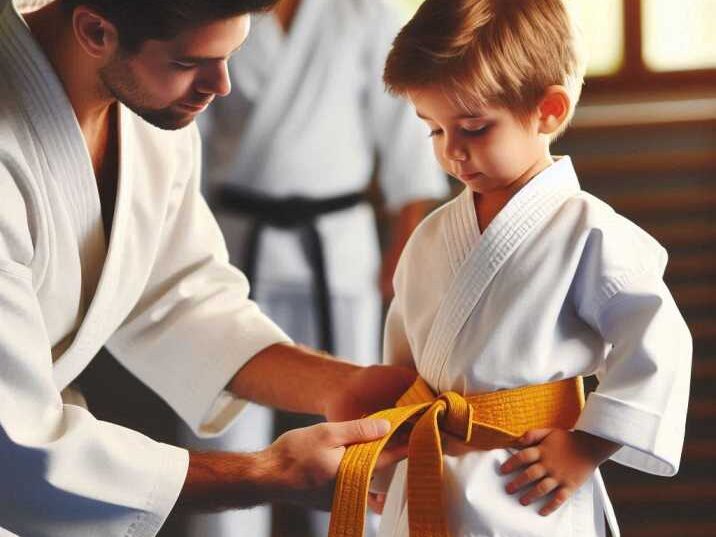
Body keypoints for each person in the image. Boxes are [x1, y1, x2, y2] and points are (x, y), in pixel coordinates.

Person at [0, 0, 417, 535]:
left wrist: (340, 384)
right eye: (188, 63)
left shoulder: (149, 113)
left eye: (230, 56)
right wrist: (272, 473)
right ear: (96, 30)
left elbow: (177, 297)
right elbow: (14, 445)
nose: (220, 86)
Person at [346, 0, 692, 536]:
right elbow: (407, 362)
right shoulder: (433, 236)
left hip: (525, 477)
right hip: (430, 466)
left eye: (474, 128)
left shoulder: (586, 230)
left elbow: (660, 343)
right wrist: (388, 451)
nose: (452, 153)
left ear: (548, 111)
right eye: (434, 131)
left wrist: (587, 445)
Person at [183, 0, 448, 535]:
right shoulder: (215, 9)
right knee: (224, 414)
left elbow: (404, 132)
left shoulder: (365, 12)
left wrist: (403, 242)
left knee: (362, 421)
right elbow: (190, 138)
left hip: (337, 238)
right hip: (235, 236)